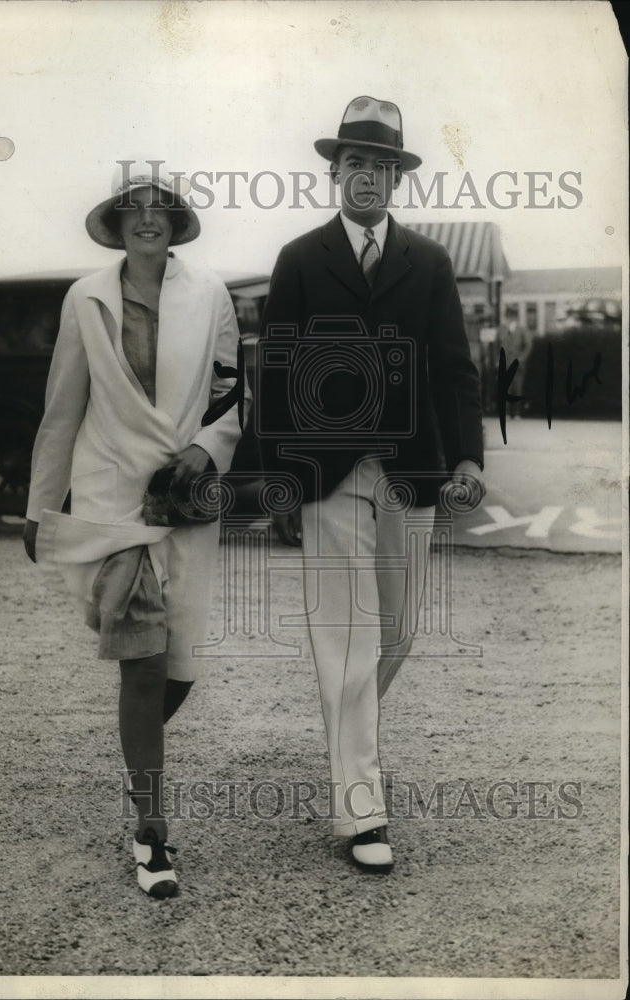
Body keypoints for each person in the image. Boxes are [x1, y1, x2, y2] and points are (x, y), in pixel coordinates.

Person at [257, 96, 486, 872]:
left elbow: (455, 368)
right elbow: (276, 372)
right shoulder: (299, 259)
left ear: (396, 179)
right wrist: (279, 482)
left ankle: (341, 746)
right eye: (354, 162)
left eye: (381, 165)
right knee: (346, 640)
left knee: (395, 635)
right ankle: (361, 811)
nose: (367, 177)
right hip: (326, 476)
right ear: (335, 173)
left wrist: (468, 457)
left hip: (410, 468)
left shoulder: (427, 262)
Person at [23, 160, 249, 898]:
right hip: (109, 496)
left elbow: (229, 397)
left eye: (160, 207)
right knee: (142, 659)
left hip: (181, 497)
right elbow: (63, 405)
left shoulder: (211, 293)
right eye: (132, 208)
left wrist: (205, 449)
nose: (146, 218)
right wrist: (40, 505)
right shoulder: (85, 297)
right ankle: (152, 833)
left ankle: (136, 763)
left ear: (176, 221)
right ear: (117, 224)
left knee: (177, 665)